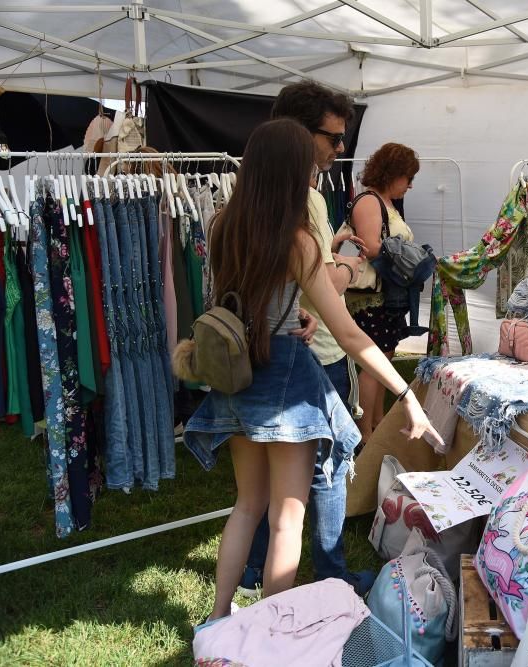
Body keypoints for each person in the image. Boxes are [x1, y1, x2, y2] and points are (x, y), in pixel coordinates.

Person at [178, 118, 444, 623]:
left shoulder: (222, 224)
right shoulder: (297, 241)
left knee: (247, 505)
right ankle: (269, 630)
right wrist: (405, 394)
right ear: (293, 172)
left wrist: (287, 313)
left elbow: (237, 298)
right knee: (287, 517)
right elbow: (347, 333)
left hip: (239, 374)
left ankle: (218, 620)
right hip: (284, 383)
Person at [234, 81, 375, 598]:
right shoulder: (303, 206)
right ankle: (301, 598)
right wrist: (346, 266)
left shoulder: (232, 215)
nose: (339, 150)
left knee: (256, 500)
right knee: (307, 494)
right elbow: (337, 315)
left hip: (254, 363)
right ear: (298, 137)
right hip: (301, 364)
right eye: (333, 139)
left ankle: (232, 606)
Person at [347, 143, 420, 442]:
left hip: (385, 293)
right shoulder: (369, 201)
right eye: (408, 177)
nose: (411, 185)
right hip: (371, 295)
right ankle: (365, 433)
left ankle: (374, 424)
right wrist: (410, 255)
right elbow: (371, 246)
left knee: (383, 359)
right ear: (393, 174)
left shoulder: (384, 202)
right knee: (372, 363)